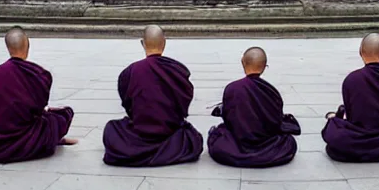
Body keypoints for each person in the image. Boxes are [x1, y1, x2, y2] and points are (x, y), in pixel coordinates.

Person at [102, 25, 203, 167]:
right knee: (193, 138)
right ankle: (169, 150)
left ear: (142, 43)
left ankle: (139, 152)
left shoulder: (130, 72)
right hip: (171, 134)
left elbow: (128, 105)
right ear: (164, 43)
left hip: (140, 133)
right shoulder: (178, 70)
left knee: (112, 129)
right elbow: (184, 104)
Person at [0, 27, 76, 163]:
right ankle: (48, 141)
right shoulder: (39, 74)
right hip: (28, 137)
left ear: (8, 47)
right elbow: (39, 109)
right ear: (27, 45)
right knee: (63, 115)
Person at [321, 33, 379, 162]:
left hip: (359, 137)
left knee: (333, 127)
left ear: (360, 51)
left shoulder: (352, 79)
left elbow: (352, 116)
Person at [207, 47, 301, 168]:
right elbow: (275, 122)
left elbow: (230, 120)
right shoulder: (272, 92)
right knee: (289, 143)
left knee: (218, 138)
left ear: (242, 62)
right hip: (269, 146)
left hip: (237, 144)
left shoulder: (232, 88)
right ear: (265, 67)